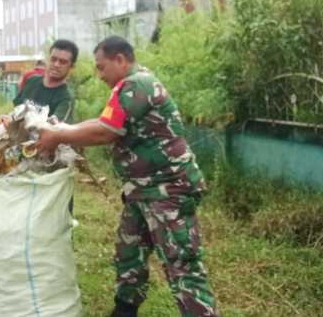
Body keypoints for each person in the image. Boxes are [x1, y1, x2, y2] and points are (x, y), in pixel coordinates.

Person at [35, 36, 218, 317]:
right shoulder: (125, 87)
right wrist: (65, 128)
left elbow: (106, 132)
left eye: (102, 67)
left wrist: (59, 134)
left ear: (120, 60)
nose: (99, 75)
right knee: (129, 252)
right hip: (142, 190)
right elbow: (101, 122)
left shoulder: (137, 85)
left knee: (181, 264)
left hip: (168, 191)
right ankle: (125, 310)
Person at [0, 39, 78, 127]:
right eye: (53, 59)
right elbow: (17, 111)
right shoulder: (32, 81)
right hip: (18, 138)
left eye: (63, 62)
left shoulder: (66, 98)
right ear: (48, 59)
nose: (56, 64)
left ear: (71, 67)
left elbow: (55, 129)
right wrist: (8, 118)